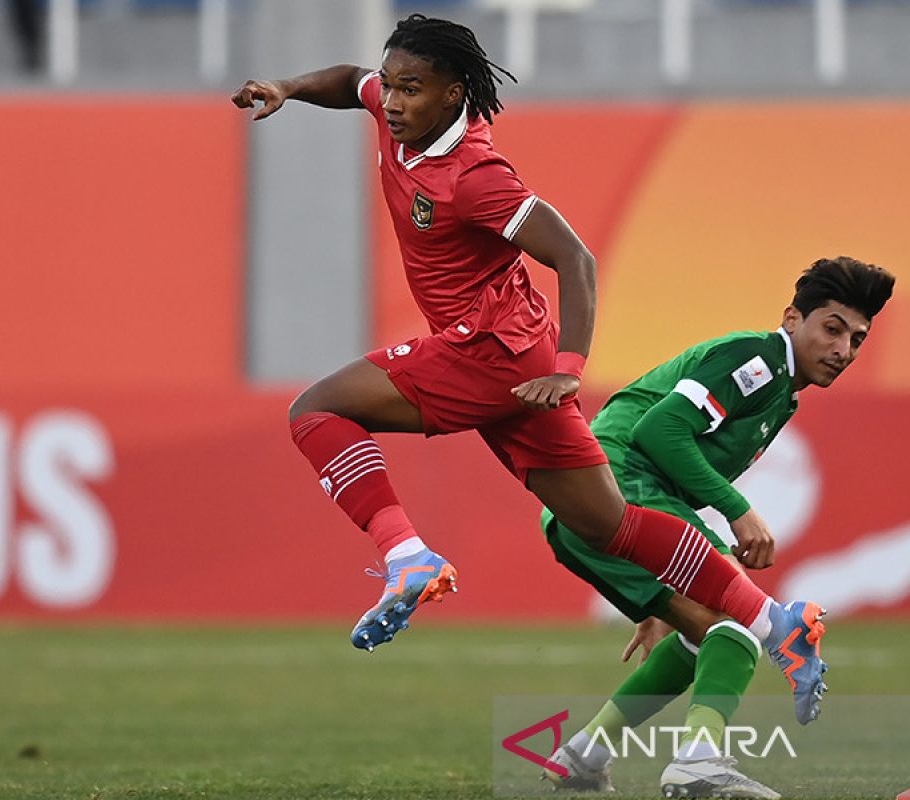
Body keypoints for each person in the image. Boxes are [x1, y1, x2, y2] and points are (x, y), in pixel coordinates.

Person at [230, 13, 821, 695]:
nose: (391, 101)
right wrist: (286, 84)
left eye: (410, 89)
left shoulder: (475, 178)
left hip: (483, 353)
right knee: (611, 526)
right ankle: (778, 623)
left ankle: (407, 556)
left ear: (452, 95)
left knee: (317, 411)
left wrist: (571, 371)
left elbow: (575, 258)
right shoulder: (400, 114)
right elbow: (347, 81)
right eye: (391, 85)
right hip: (518, 359)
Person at [540, 257, 895, 797]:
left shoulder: (782, 393)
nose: (843, 350)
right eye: (831, 329)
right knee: (743, 621)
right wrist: (738, 508)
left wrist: (655, 592)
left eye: (857, 339)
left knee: (704, 629)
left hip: (582, 506)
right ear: (792, 318)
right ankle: (698, 761)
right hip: (619, 488)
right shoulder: (757, 359)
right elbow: (658, 431)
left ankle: (584, 756)